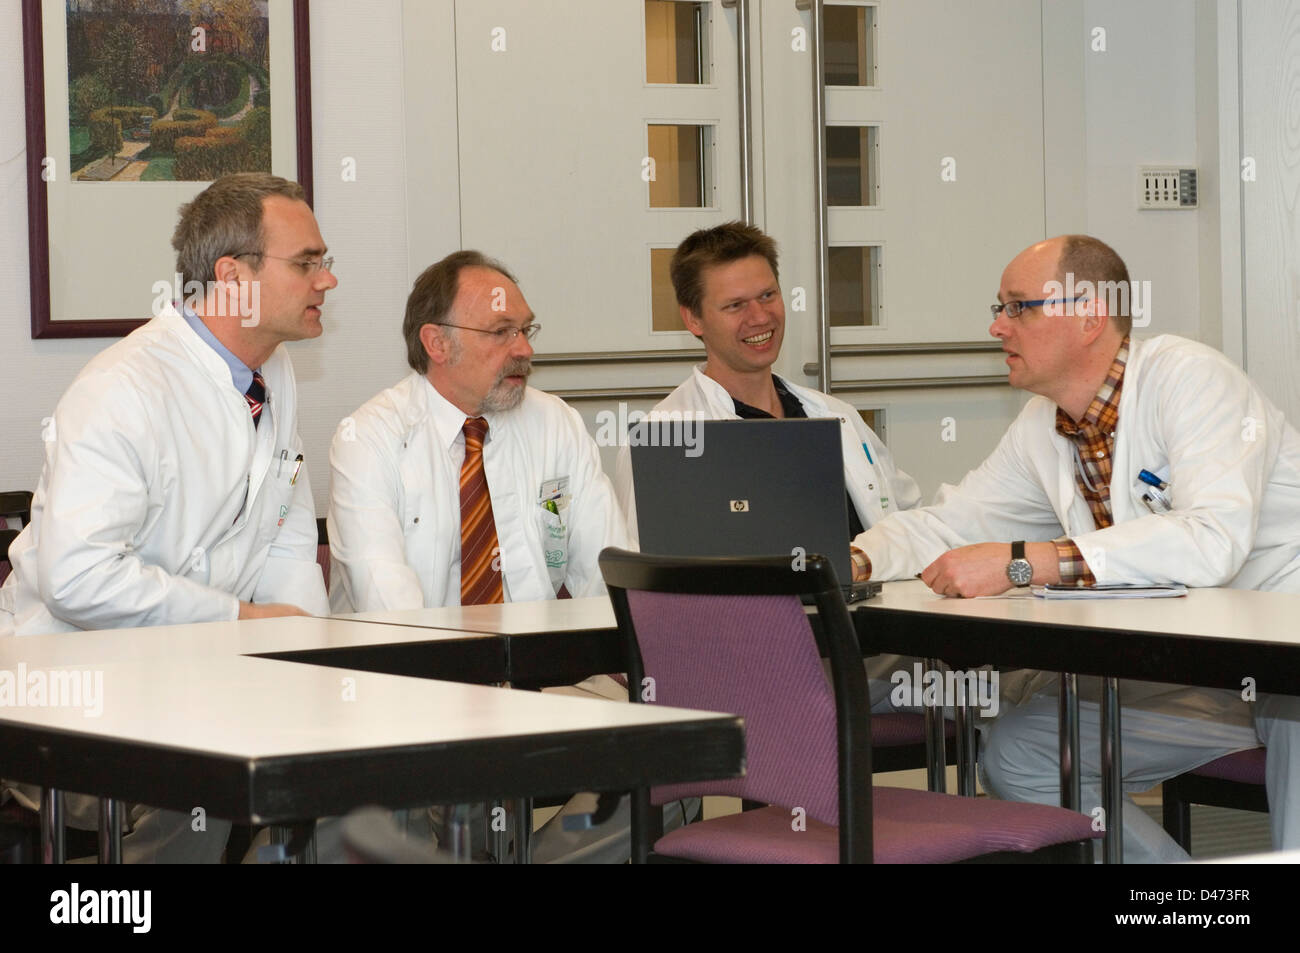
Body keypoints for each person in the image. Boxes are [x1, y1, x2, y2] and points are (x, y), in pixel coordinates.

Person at [853, 233, 1300, 861]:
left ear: (1089, 314)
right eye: (999, 307)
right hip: (1203, 672)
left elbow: (1211, 539)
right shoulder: (1044, 424)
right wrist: (854, 559)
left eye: (1018, 307)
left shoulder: (1189, 377)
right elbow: (955, 522)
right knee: (1024, 755)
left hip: (1287, 663)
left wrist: (1028, 561)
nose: (996, 326)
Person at [0, 172, 337, 861]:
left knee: (343, 753)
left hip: (196, 671)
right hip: (68, 686)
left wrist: (313, 661)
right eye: (307, 262)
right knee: (217, 765)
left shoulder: (273, 375)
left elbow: (286, 537)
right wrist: (238, 622)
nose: (326, 280)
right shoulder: (124, 387)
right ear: (232, 274)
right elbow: (77, 578)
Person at [327, 250, 632, 862]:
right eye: (500, 332)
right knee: (432, 762)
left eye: (526, 330)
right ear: (436, 342)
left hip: (541, 684)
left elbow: (609, 570)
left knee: (677, 744)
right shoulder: (370, 438)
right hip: (406, 686)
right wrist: (476, 701)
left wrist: (630, 662)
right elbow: (390, 608)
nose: (523, 349)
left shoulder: (556, 425)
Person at [613, 222, 927, 711]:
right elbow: (655, 589)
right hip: (761, 659)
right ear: (693, 319)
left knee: (985, 666)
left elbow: (912, 519)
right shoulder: (668, 438)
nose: (760, 317)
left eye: (768, 295)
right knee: (983, 679)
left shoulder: (834, 416)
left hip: (869, 639)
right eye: (735, 305)